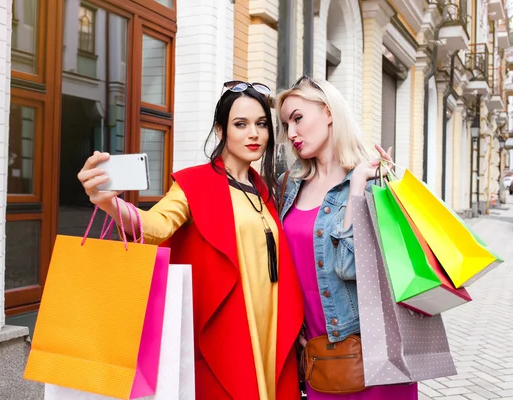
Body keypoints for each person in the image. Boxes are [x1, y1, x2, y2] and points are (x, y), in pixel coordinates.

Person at [77, 81, 304, 400]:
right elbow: (155, 225)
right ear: (221, 130)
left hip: (271, 329)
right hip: (226, 329)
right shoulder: (195, 183)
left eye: (261, 124)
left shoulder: (264, 190)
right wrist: (108, 203)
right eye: (241, 124)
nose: (254, 134)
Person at [276, 76, 418, 399]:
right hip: (318, 353)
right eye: (286, 125)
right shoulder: (289, 186)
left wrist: (356, 189)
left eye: (298, 118)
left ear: (328, 112)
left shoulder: (369, 182)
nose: (292, 133)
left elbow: (351, 267)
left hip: (371, 353)